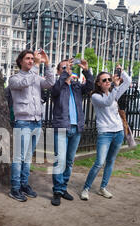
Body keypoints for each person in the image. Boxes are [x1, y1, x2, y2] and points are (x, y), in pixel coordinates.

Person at [8, 49, 54, 202]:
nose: (30, 61)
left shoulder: (36, 77)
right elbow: (25, 82)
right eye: (28, 59)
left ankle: (24, 184)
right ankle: (15, 188)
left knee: (27, 157)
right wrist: (36, 64)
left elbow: (50, 83)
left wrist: (47, 65)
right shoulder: (14, 79)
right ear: (20, 61)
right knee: (19, 157)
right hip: (23, 122)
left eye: (32, 59)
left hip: (36, 122)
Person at [80, 65, 131, 200]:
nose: (108, 81)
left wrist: (121, 70)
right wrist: (115, 86)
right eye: (104, 80)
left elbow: (128, 82)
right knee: (99, 162)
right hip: (105, 133)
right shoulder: (95, 96)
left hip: (118, 131)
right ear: (98, 83)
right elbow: (107, 103)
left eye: (109, 79)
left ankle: (103, 187)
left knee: (110, 161)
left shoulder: (113, 93)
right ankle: (86, 188)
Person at [50, 58, 94, 206]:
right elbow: (54, 91)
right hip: (62, 127)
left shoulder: (76, 86)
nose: (67, 69)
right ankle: (57, 191)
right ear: (58, 71)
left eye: (68, 67)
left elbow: (90, 87)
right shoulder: (57, 86)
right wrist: (64, 73)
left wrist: (86, 70)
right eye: (63, 68)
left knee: (69, 162)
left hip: (76, 128)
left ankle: (63, 188)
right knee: (60, 161)